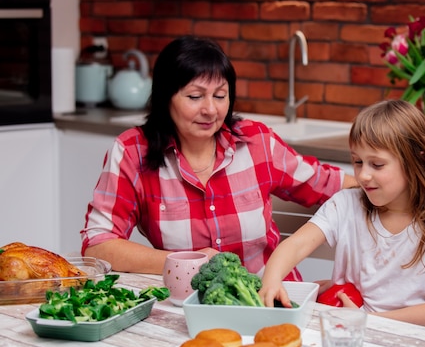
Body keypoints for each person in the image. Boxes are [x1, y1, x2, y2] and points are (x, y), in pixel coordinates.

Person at [80, 36, 356, 279]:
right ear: (166, 97)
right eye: (195, 96)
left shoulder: (257, 142)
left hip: (270, 299)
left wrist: (392, 187)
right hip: (188, 303)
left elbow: (327, 183)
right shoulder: (132, 151)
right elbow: (99, 244)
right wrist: (186, 262)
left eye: (220, 95)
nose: (210, 110)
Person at [259, 99, 425, 332]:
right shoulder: (345, 204)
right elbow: (296, 245)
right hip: (350, 335)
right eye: (358, 162)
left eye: (377, 165)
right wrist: (272, 280)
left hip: (419, 339)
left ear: (416, 161)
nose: (363, 175)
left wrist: (366, 320)